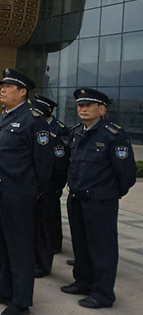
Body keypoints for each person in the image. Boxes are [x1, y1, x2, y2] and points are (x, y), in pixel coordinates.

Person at [0, 68, 53, 315]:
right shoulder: (5, 116)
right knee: (3, 244)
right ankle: (6, 290)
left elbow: (44, 163)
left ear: (22, 92)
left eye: (9, 87)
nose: (3, 90)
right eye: (2, 86)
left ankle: (21, 302)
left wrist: (34, 191)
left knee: (20, 247)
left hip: (17, 193)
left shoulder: (33, 119)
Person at [61, 88, 137, 309]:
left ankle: (103, 294)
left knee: (102, 248)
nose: (83, 109)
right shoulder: (77, 132)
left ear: (102, 109)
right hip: (77, 197)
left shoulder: (113, 134)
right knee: (81, 243)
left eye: (88, 105)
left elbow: (127, 173)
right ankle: (83, 281)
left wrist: (111, 192)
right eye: (80, 105)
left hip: (100, 201)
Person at [29, 94, 71, 278]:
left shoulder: (58, 130)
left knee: (49, 217)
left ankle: (52, 247)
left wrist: (56, 185)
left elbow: (60, 161)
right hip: (34, 183)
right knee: (38, 220)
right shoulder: (32, 125)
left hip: (49, 183)